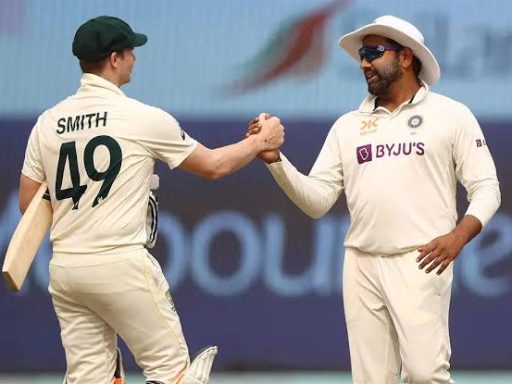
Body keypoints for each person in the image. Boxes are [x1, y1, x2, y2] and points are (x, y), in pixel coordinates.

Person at [19, 16, 284, 384]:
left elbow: (28, 202)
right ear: (114, 58)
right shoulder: (140, 117)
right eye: (130, 51)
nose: (135, 58)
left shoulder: (48, 123)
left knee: (88, 379)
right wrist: (260, 141)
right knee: (174, 374)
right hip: (121, 262)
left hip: (66, 269)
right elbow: (213, 166)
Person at [247, 15, 500, 384]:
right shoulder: (348, 126)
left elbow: (487, 186)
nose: (363, 62)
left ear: (406, 57)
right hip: (361, 263)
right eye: (361, 55)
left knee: (425, 374)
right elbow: (317, 200)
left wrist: (458, 236)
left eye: (373, 52)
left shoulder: (451, 115)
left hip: (421, 259)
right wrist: (275, 161)